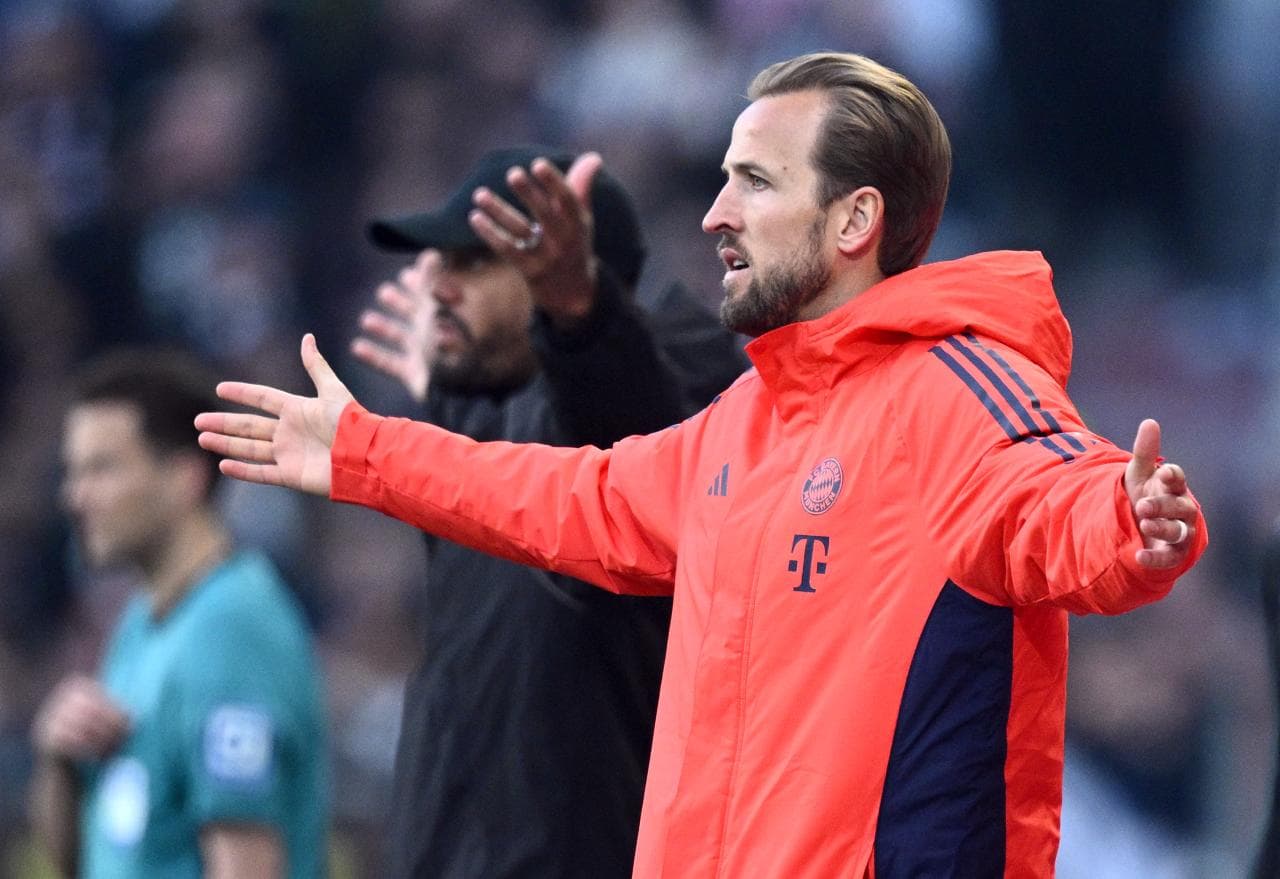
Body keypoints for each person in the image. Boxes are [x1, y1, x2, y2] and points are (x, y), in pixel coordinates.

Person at [196, 52, 1209, 877]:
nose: (713, 214)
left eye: (753, 181)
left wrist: (1130, 523)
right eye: (723, 177)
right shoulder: (742, 421)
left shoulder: (960, 390)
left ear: (853, 222)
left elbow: (1054, 499)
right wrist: (366, 453)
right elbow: (566, 496)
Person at [348, 146, 746, 877]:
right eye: (437, 264)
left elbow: (624, 427)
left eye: (471, 263)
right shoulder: (485, 410)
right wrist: (444, 396)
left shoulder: (663, 394)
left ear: (563, 265)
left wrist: (581, 313)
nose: (437, 286)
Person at [32, 349, 328, 878]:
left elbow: (246, 867)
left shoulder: (232, 629)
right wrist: (59, 762)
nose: (74, 496)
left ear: (184, 479)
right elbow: (95, 859)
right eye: (72, 471)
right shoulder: (144, 621)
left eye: (102, 468)